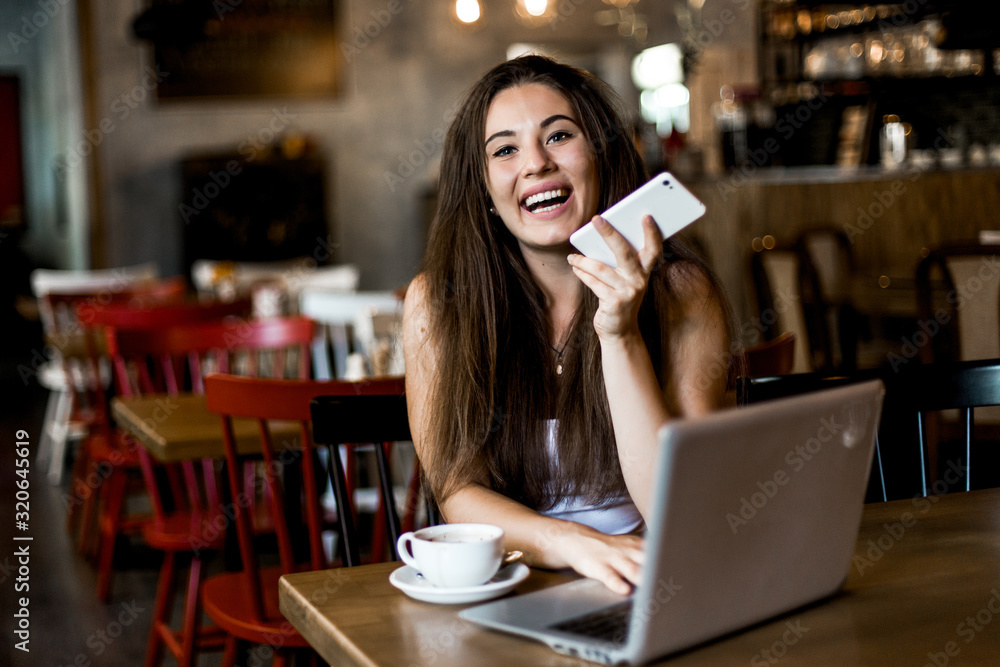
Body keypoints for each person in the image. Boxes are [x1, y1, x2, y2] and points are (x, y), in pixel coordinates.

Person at [403, 55, 737, 595]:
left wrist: (618, 332)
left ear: (600, 156)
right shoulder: (437, 306)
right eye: (505, 149)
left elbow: (679, 508)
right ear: (484, 189)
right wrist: (574, 543)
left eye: (558, 137)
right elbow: (456, 490)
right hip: (510, 584)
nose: (535, 164)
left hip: (654, 578)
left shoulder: (681, 293)